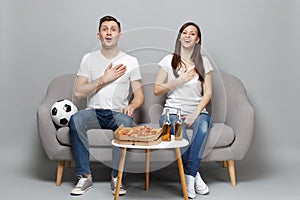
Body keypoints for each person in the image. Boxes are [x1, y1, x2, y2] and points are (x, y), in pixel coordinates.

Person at [68, 15, 144, 196]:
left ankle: (117, 177)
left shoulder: (131, 61)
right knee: (75, 119)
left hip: (117, 113)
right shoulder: (88, 58)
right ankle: (84, 176)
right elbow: (78, 92)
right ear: (99, 35)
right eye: (105, 29)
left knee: (125, 124)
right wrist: (104, 79)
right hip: (92, 113)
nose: (109, 32)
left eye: (113, 29)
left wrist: (132, 107)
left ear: (119, 35)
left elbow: (139, 95)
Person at [154, 22, 213, 199]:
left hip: (197, 110)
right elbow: (157, 89)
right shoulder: (168, 60)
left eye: (192, 33)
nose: (188, 36)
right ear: (180, 37)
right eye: (185, 32)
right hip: (172, 112)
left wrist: (196, 112)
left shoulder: (204, 62)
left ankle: (189, 176)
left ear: (197, 39)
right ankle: (194, 175)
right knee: (182, 137)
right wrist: (180, 80)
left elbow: (208, 93)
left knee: (202, 127)